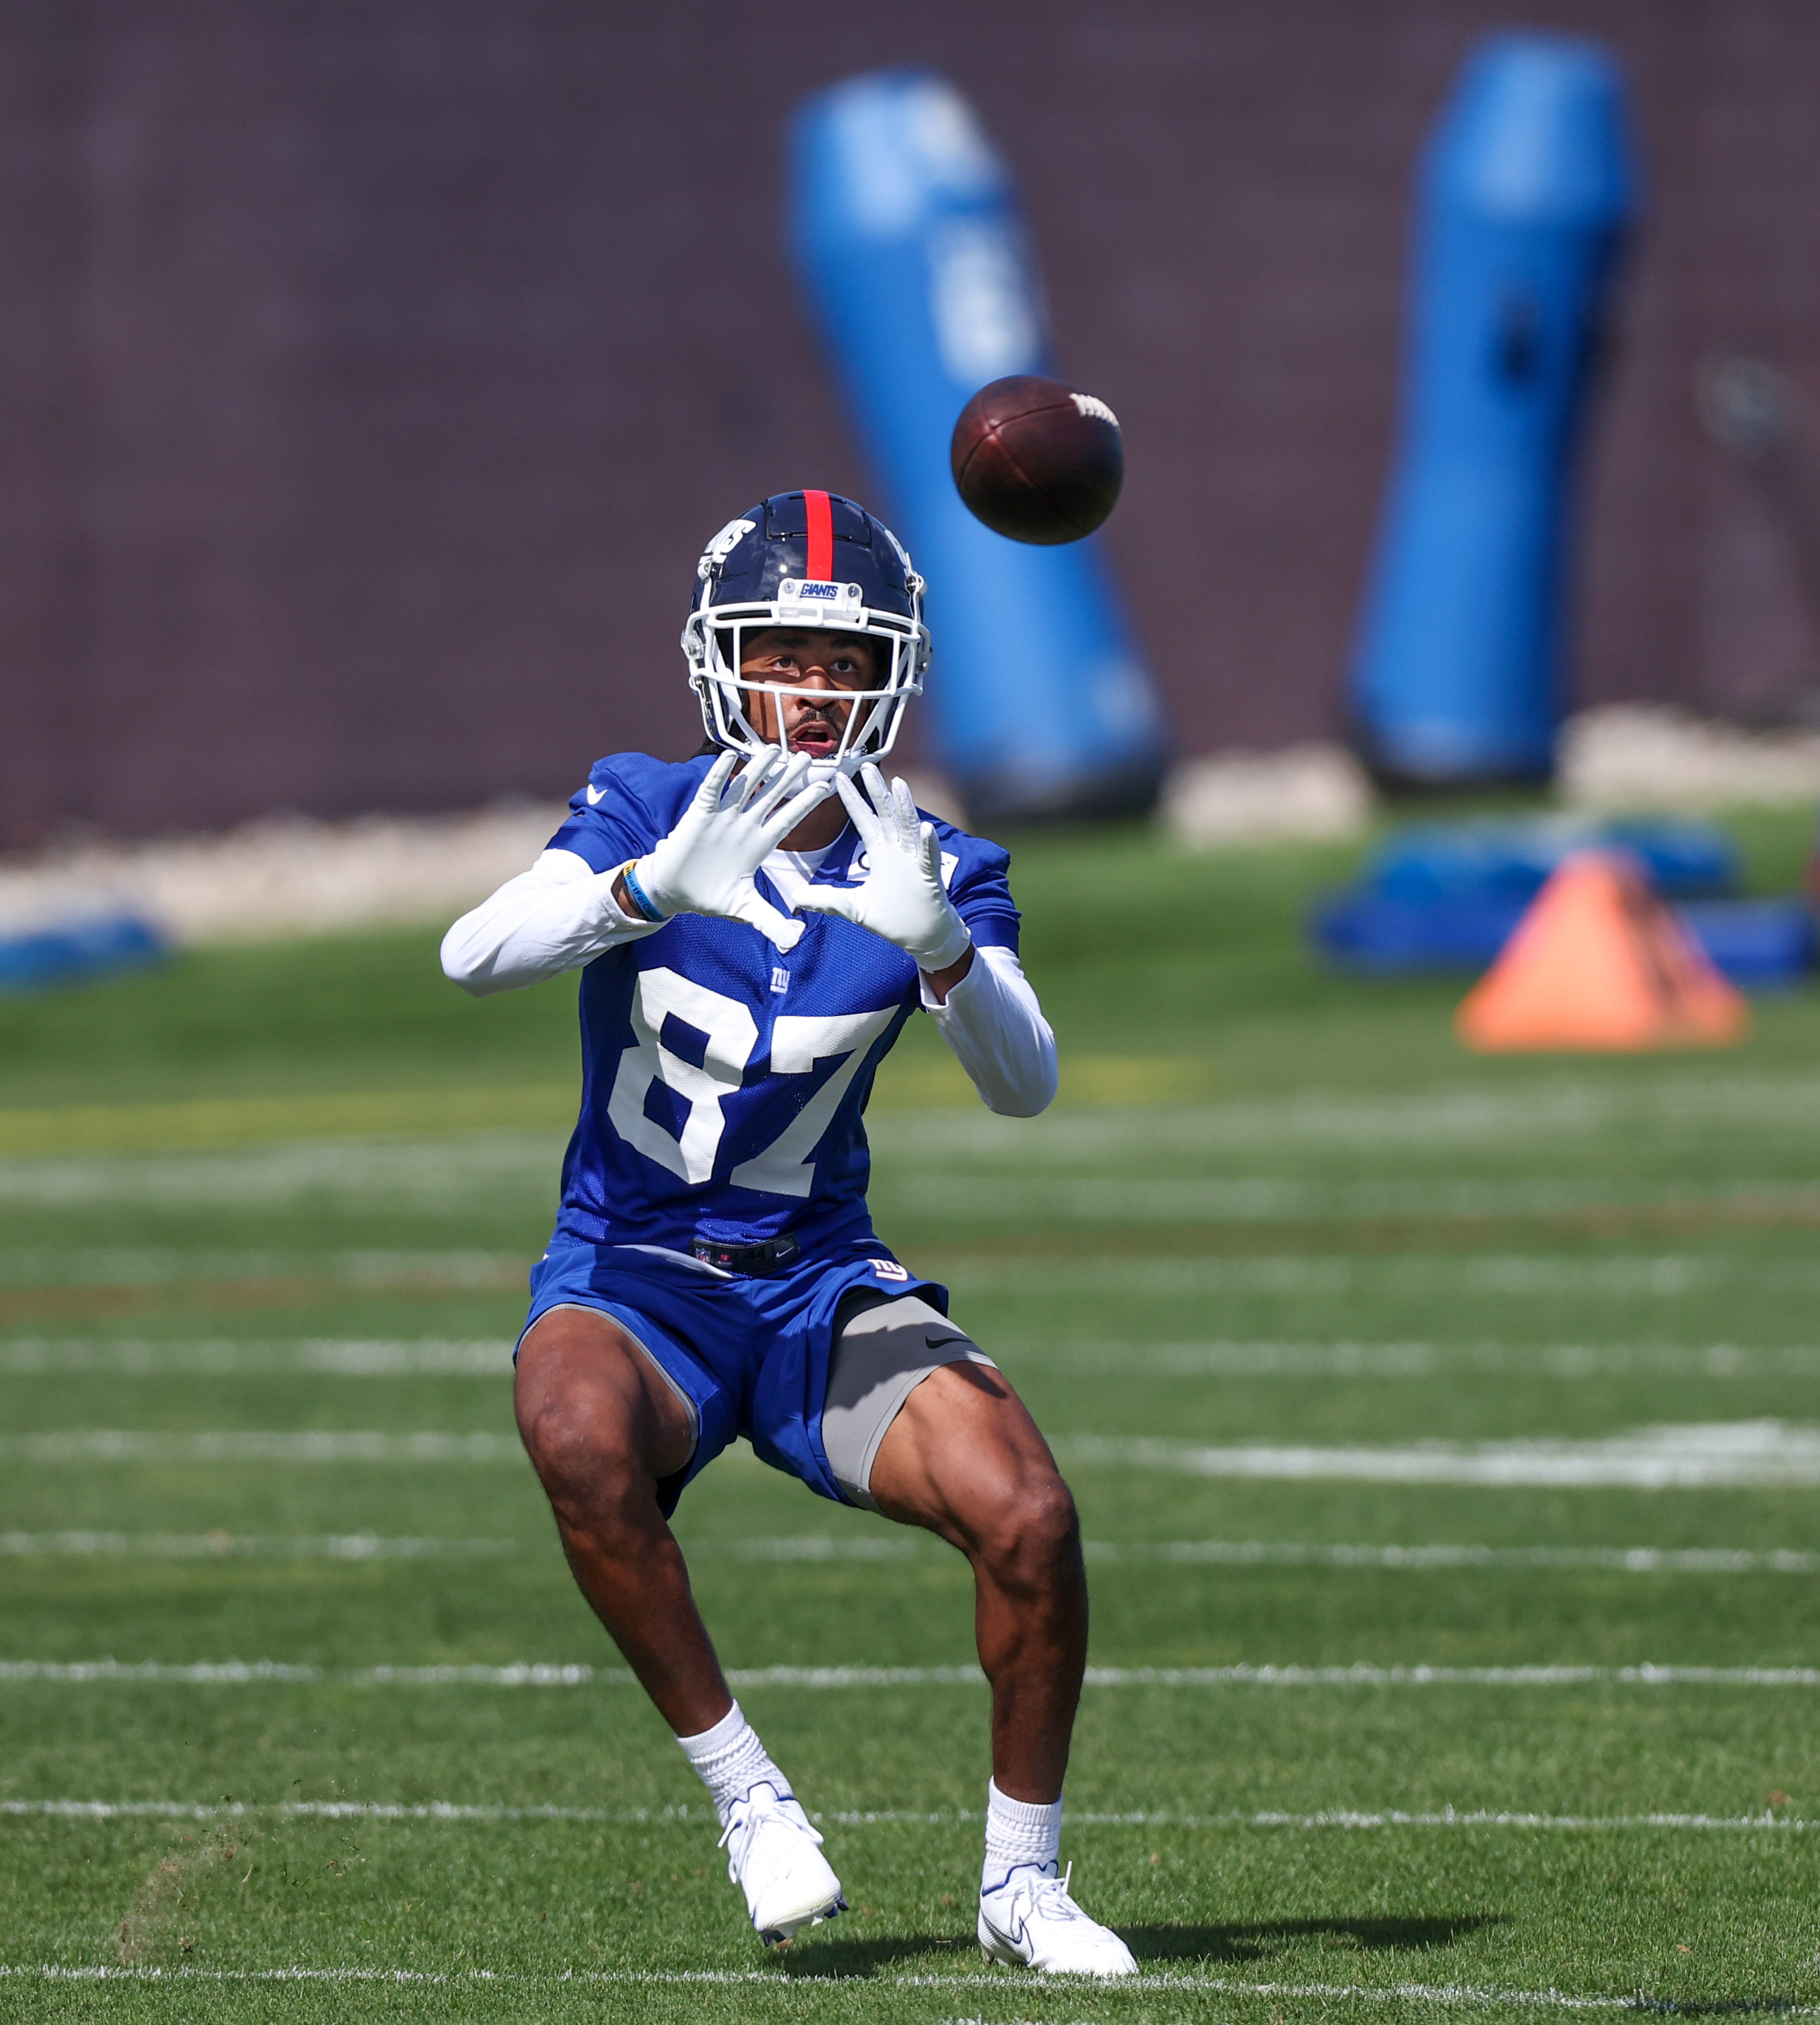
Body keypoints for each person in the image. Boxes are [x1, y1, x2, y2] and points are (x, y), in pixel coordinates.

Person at [440, 489, 1136, 1978]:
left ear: (892, 674)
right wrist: (638, 893)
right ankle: (748, 1797)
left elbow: (1027, 1085)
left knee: (1029, 1514)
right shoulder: (644, 802)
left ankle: (1024, 1881)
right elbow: (470, 952)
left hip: (817, 1284)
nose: (814, 689)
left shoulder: (934, 858)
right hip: (635, 1276)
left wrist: (943, 943)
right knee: (571, 1426)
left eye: (844, 658)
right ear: (724, 659)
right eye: (785, 653)